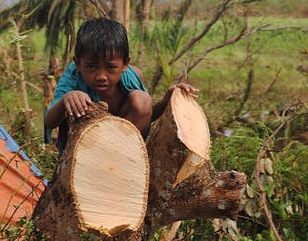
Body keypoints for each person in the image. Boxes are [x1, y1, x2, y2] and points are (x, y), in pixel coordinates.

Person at [44, 17, 198, 154]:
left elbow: (146, 115)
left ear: (125, 64)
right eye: (91, 67)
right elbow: (49, 121)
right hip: (82, 154)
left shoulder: (131, 77)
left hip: (122, 151)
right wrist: (66, 100)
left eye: (110, 67)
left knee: (142, 99)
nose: (101, 76)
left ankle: (121, 159)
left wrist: (167, 101)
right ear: (78, 63)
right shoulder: (72, 80)